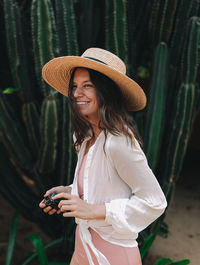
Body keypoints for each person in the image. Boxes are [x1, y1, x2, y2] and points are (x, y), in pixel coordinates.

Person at [39, 48, 167, 265]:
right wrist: (69, 192)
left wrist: (92, 210)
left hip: (114, 253)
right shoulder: (85, 136)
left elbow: (155, 202)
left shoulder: (119, 142)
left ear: (106, 92)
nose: (77, 93)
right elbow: (101, 184)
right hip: (83, 245)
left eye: (87, 86)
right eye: (74, 87)